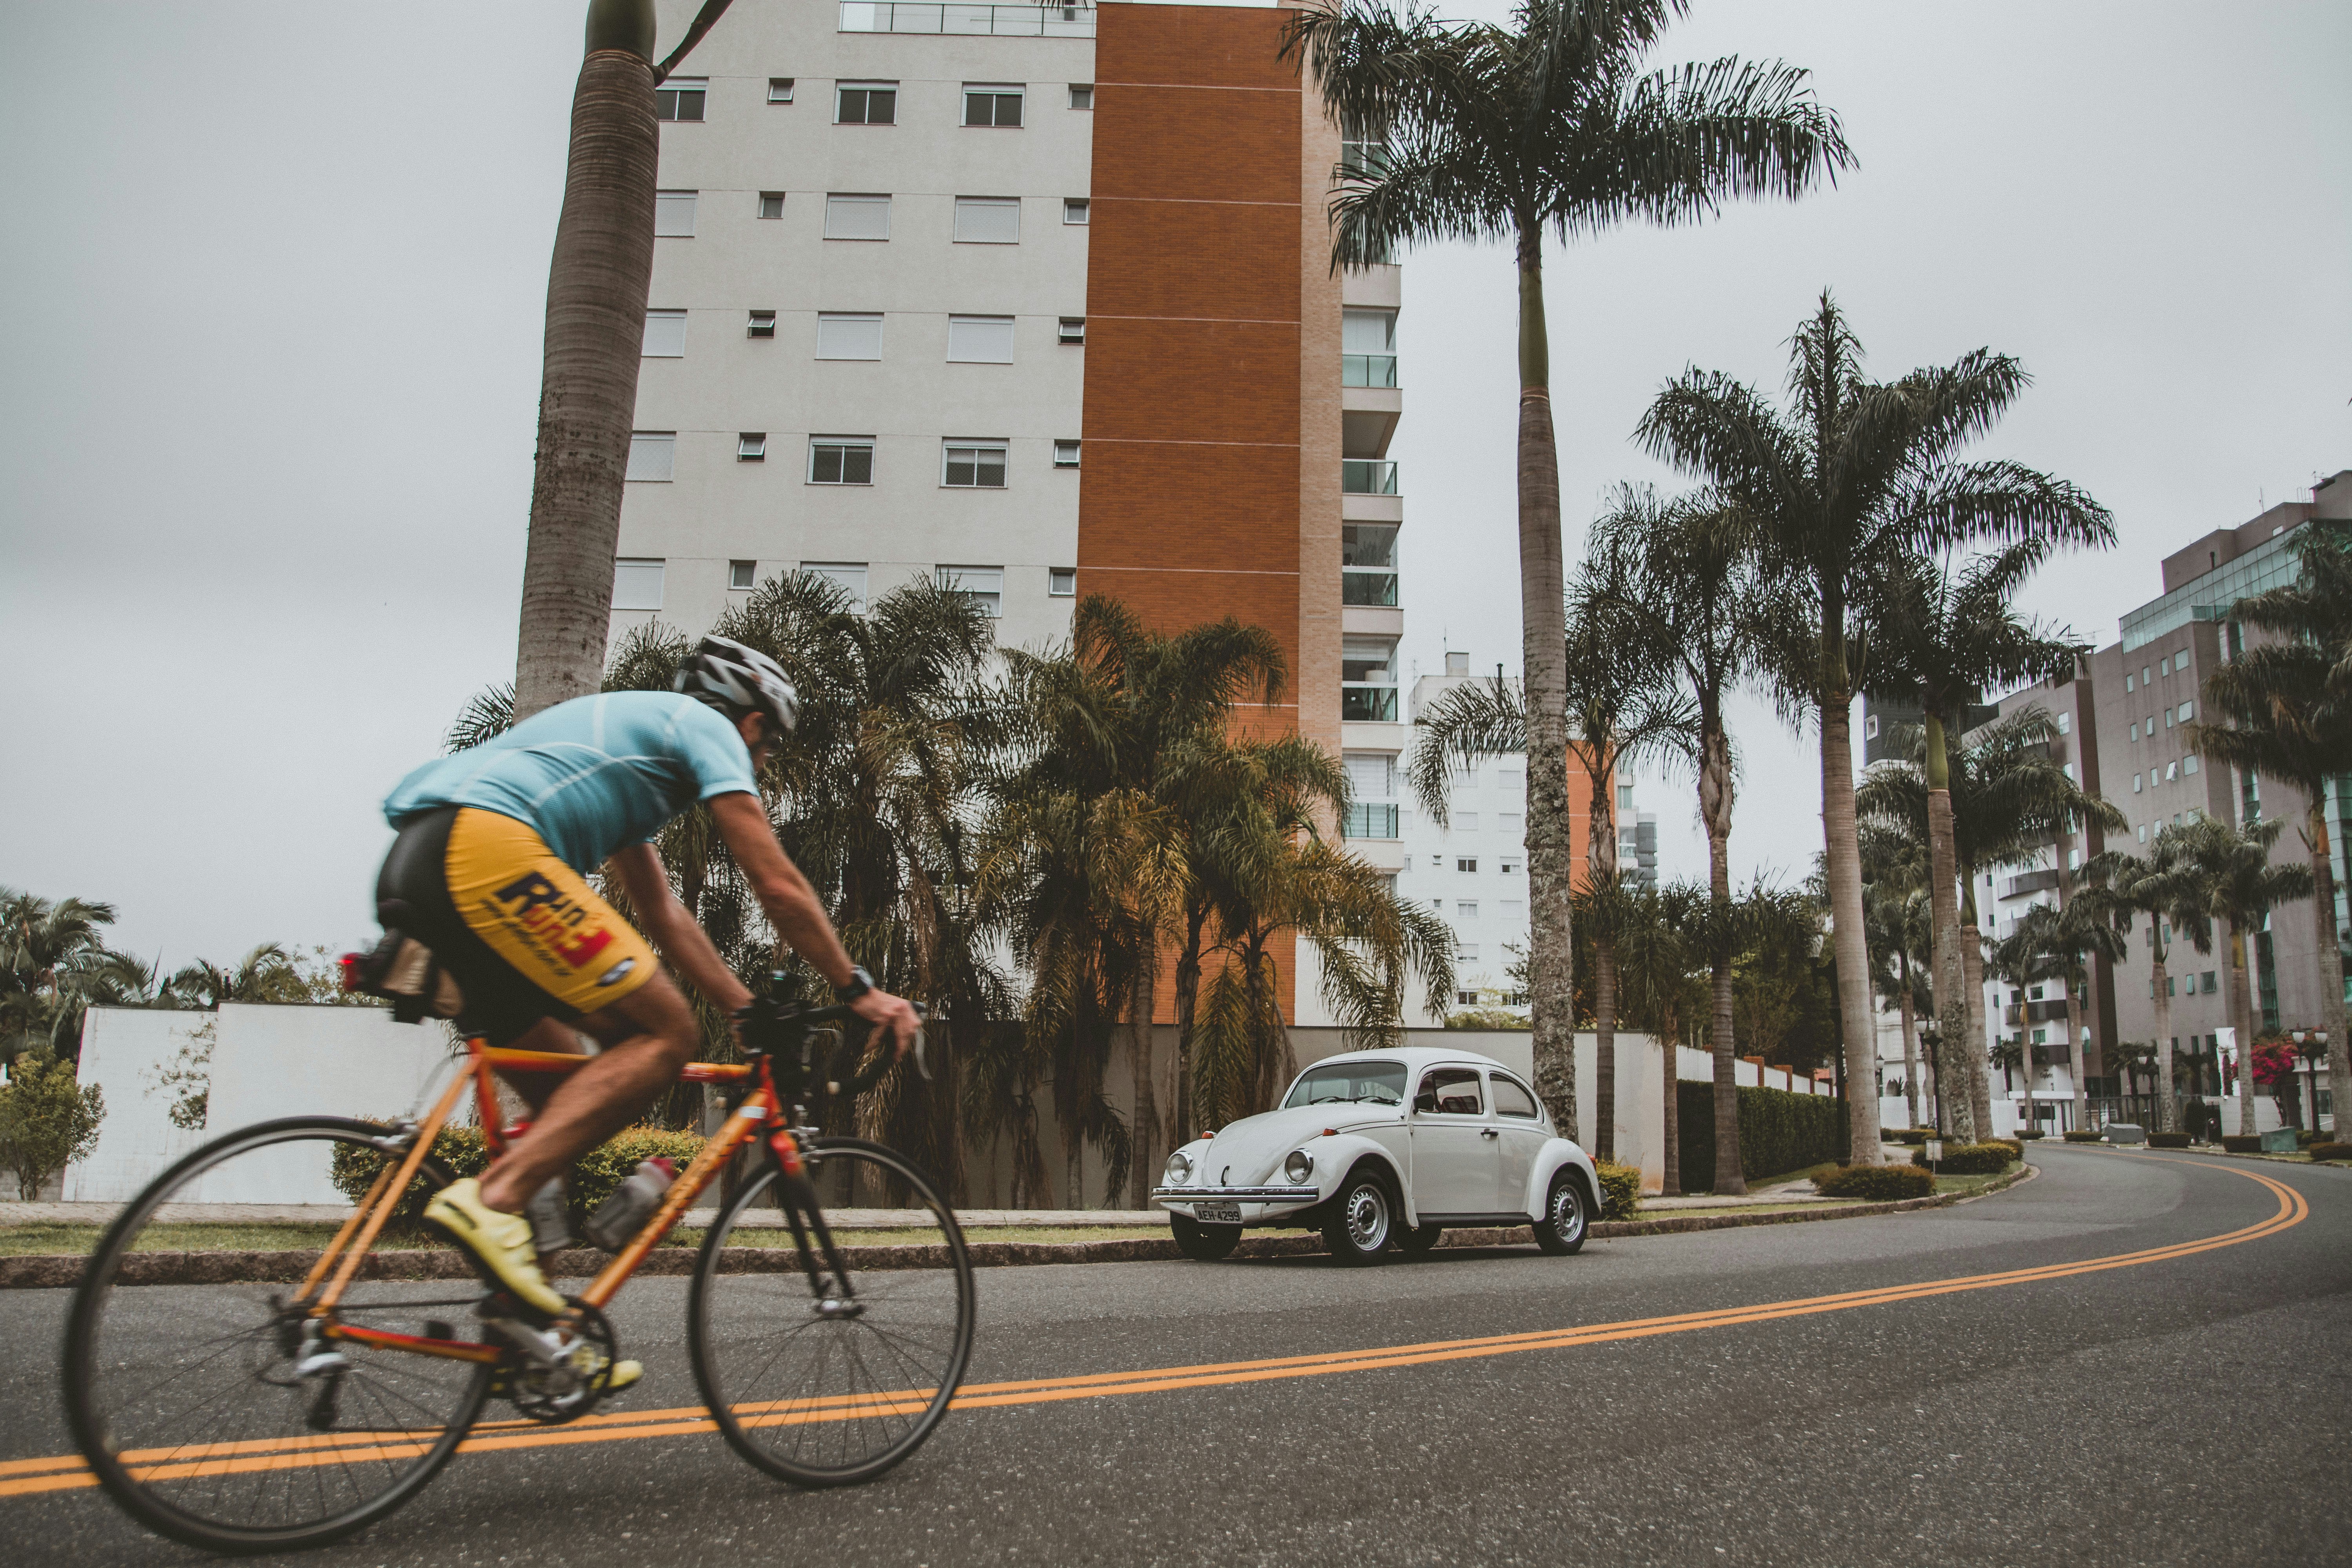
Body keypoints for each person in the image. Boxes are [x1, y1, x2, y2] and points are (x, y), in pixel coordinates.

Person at [374, 637, 920, 1355]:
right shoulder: (703, 729)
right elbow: (779, 885)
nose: (761, 763)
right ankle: (495, 1199)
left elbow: (665, 916)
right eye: (769, 747)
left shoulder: (637, 774)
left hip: (423, 863)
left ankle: (531, 1332)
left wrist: (740, 1007)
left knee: (567, 1098)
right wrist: (860, 991)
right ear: (750, 723)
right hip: (488, 849)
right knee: (666, 1036)